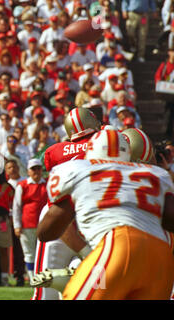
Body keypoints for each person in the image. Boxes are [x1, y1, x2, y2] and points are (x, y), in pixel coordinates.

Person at [38, 129, 174, 299]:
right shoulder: (156, 175)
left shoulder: (79, 171)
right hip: (161, 256)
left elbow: (45, 232)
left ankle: (75, 279)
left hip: (121, 244)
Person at [32, 107, 100, 300]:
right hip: (93, 218)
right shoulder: (107, 141)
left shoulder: (53, 151)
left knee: (45, 291)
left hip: (58, 218)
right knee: (96, 287)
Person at [12, 158, 47, 284]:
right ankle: (33, 278)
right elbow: (16, 206)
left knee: (43, 252)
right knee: (29, 252)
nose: (36, 171)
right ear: (28, 171)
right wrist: (17, 225)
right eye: (33, 169)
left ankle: (42, 277)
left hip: (45, 224)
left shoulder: (47, 183)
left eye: (38, 168)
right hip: (27, 224)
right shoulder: (22, 186)